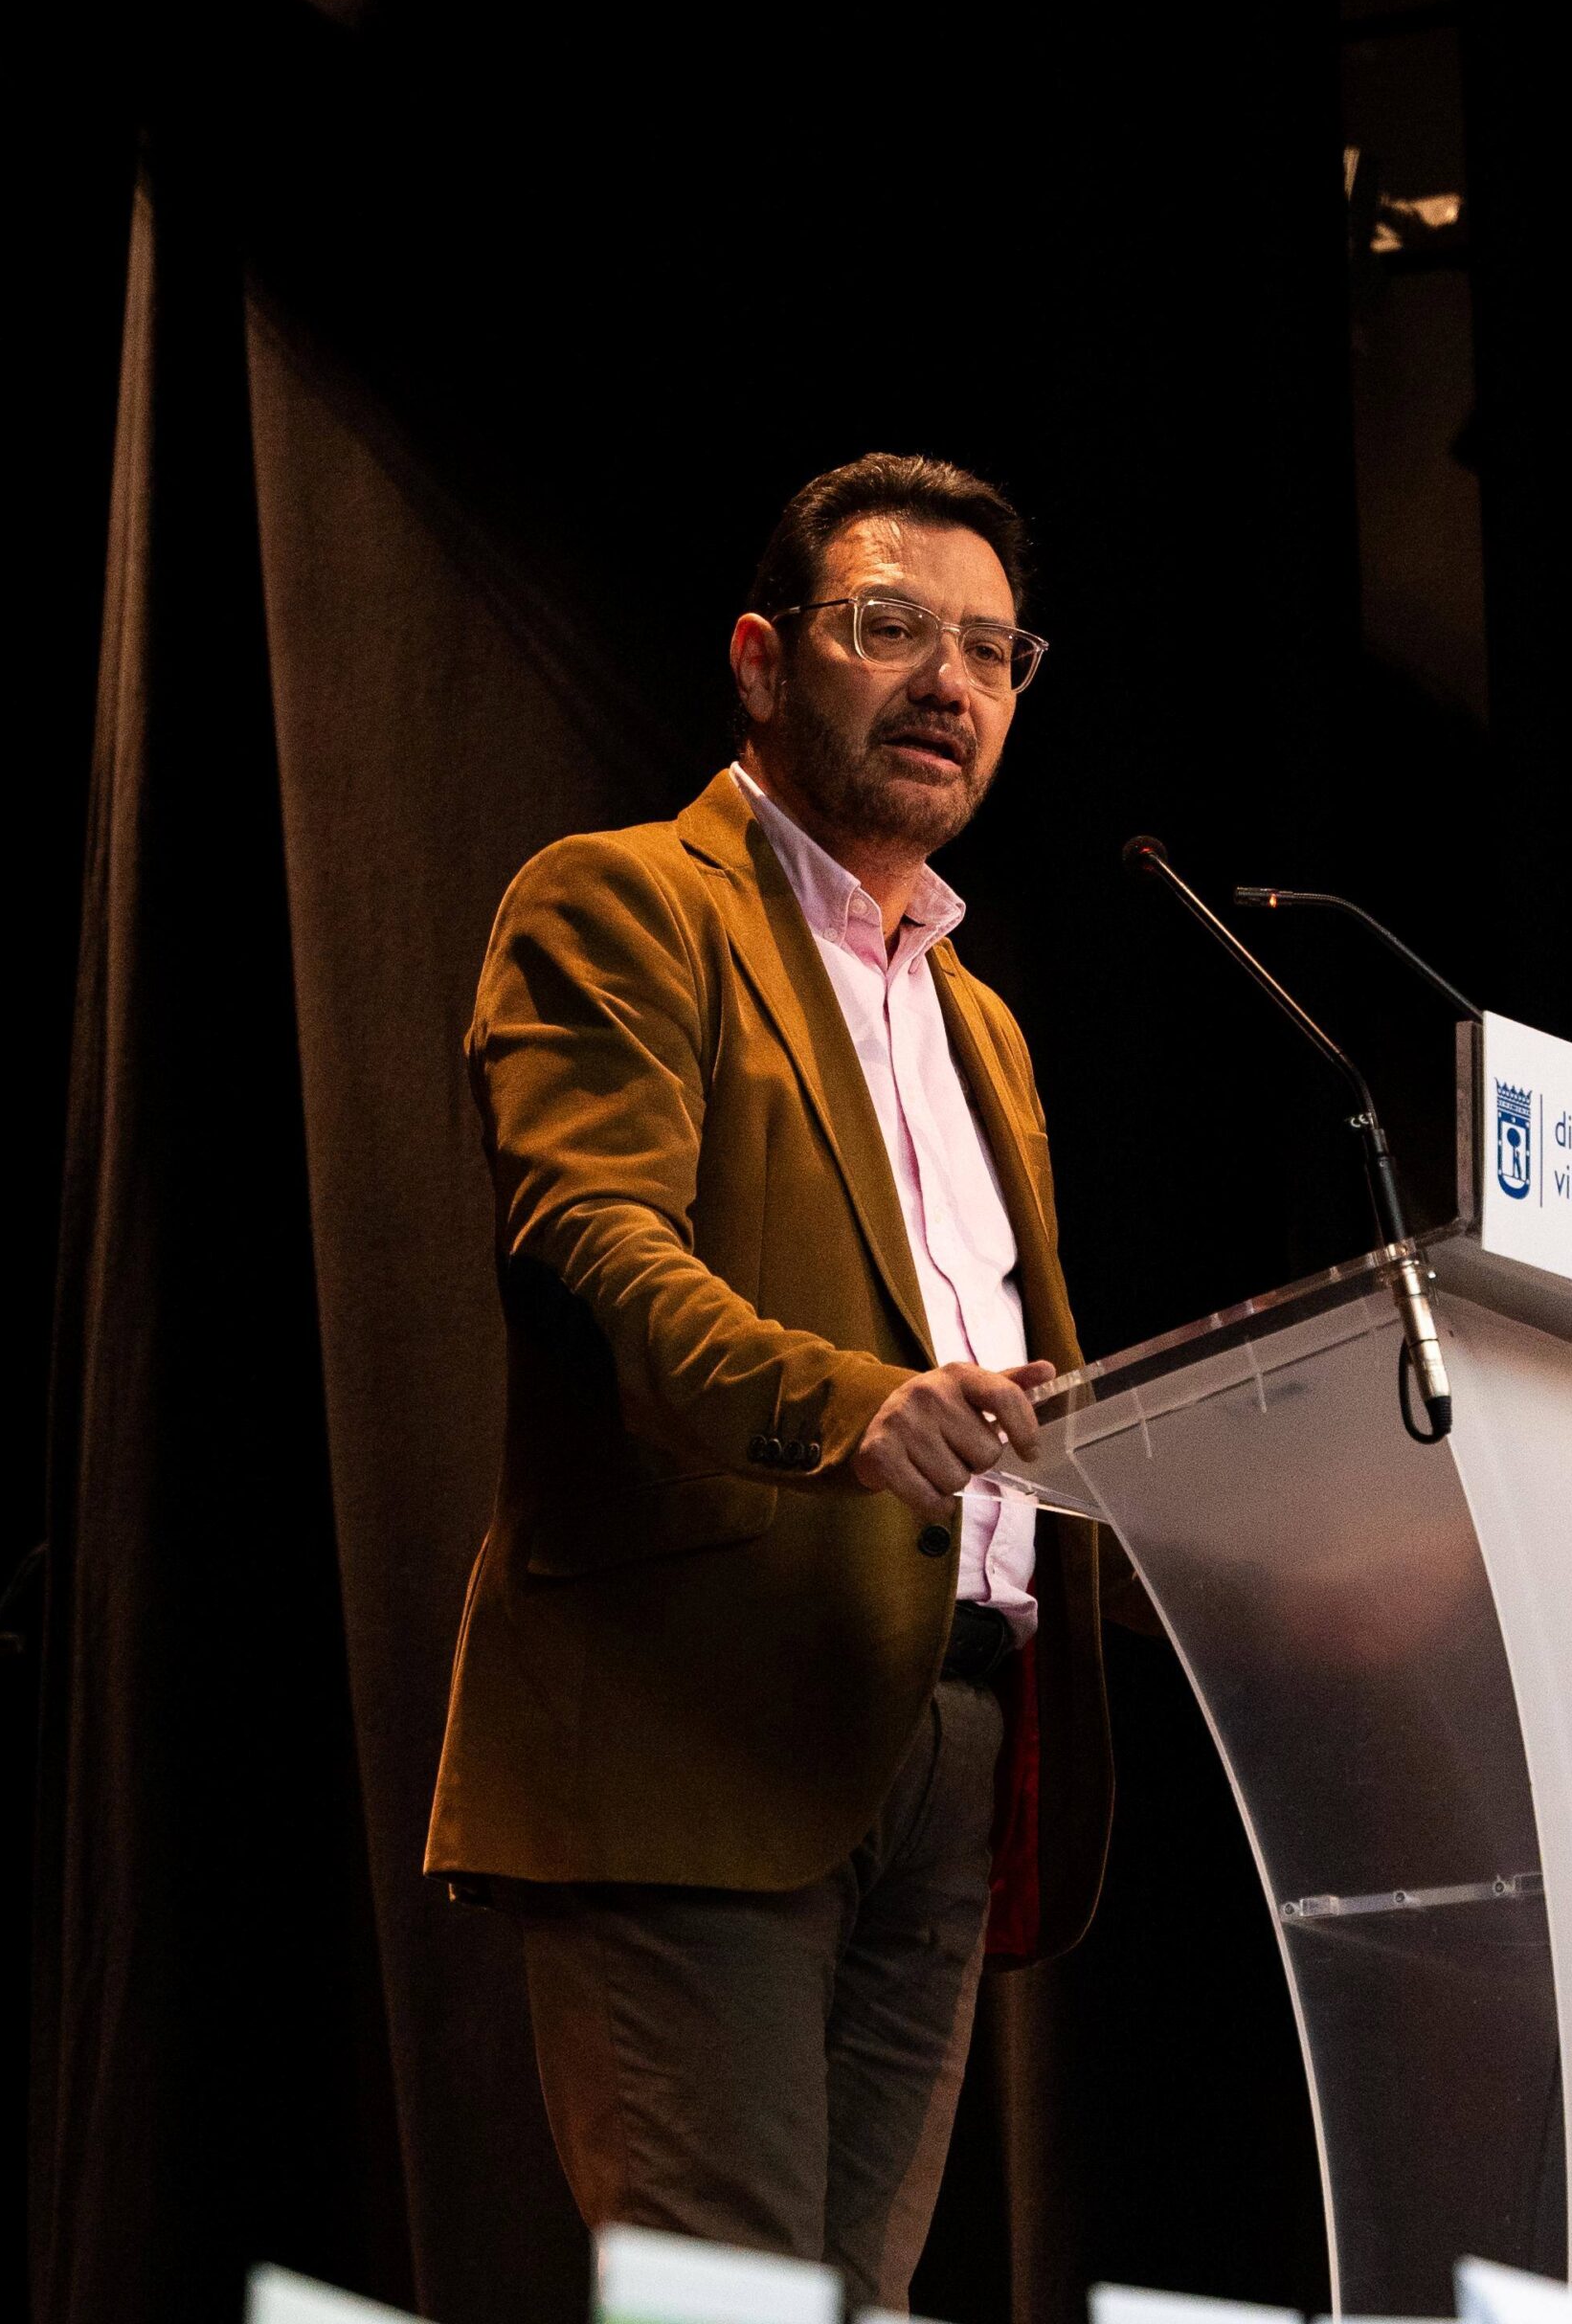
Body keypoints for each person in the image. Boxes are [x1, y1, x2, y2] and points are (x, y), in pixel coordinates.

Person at [424, 453, 1115, 2304]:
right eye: (891, 628)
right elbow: (595, 1251)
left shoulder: (983, 1023)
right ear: (760, 657)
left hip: (950, 1738)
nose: (951, 683)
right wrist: (857, 1404)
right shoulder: (625, 904)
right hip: (699, 1718)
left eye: (994, 651)